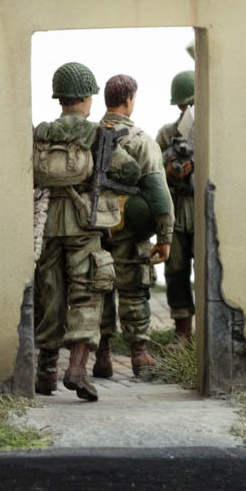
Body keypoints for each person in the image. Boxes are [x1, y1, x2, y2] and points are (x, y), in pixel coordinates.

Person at [32, 62, 138, 401]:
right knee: (87, 291)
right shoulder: (96, 134)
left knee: (49, 294)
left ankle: (45, 373)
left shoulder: (42, 132)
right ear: (87, 98)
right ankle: (76, 370)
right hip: (84, 222)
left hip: (47, 223)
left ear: (60, 98)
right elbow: (131, 171)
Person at [94, 74, 174, 377]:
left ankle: (102, 356)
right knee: (133, 291)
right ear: (129, 100)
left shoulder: (90, 136)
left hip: (93, 228)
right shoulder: (141, 141)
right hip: (129, 230)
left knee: (99, 290)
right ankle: (139, 355)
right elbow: (159, 193)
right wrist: (165, 237)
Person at [156, 70, 196, 347]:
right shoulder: (167, 134)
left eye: (191, 105)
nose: (187, 110)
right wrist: (169, 170)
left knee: (209, 272)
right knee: (176, 269)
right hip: (177, 208)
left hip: (203, 209)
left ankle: (209, 328)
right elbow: (153, 170)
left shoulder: (211, 133)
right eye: (184, 105)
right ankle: (182, 330)